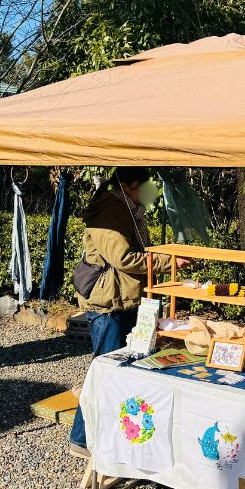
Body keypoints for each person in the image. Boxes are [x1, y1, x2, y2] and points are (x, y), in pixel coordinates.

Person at [68, 167, 190, 457]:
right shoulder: (110, 209)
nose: (149, 194)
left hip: (125, 299)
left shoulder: (127, 207)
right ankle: (81, 439)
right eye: (145, 187)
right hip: (108, 304)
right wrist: (167, 262)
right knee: (105, 370)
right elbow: (123, 257)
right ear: (127, 185)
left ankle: (116, 436)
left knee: (124, 369)